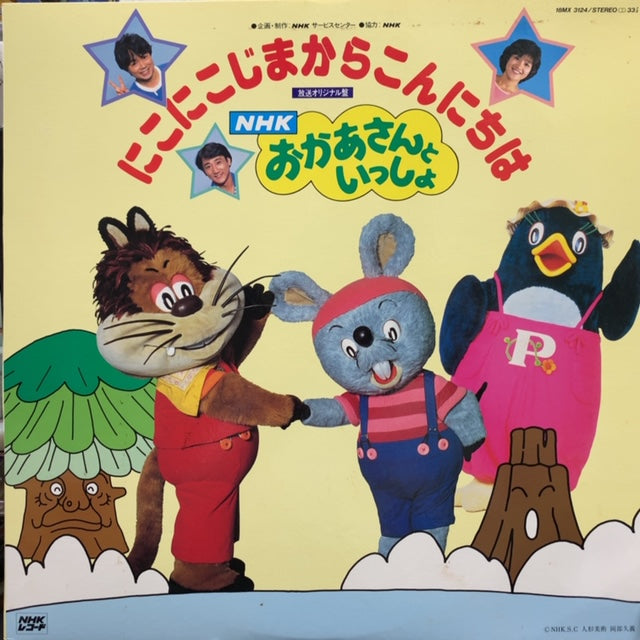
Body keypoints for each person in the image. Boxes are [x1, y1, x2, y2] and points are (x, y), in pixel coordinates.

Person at [111, 33, 165, 102]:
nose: (143, 66)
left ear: (150, 54)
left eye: (144, 57)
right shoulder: (134, 97)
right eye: (134, 64)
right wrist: (130, 104)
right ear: (127, 70)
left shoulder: (171, 68)